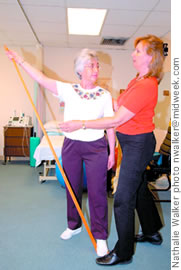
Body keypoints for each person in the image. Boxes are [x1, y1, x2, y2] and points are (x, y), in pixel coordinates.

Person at [59, 35, 166, 265]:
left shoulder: (147, 85)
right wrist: (94, 101)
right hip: (132, 142)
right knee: (138, 189)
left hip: (138, 145)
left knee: (123, 198)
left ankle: (123, 252)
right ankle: (152, 231)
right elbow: (121, 104)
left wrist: (82, 123)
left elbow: (115, 119)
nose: (132, 54)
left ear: (150, 57)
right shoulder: (138, 79)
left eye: (137, 51)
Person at [6, 48, 115, 257]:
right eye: (92, 65)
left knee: (97, 193)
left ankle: (100, 236)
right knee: (71, 187)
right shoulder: (68, 90)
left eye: (97, 65)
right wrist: (20, 60)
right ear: (80, 69)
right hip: (72, 146)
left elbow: (110, 124)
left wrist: (112, 152)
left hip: (96, 147)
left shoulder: (104, 95)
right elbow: (41, 78)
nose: (96, 69)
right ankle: (74, 225)